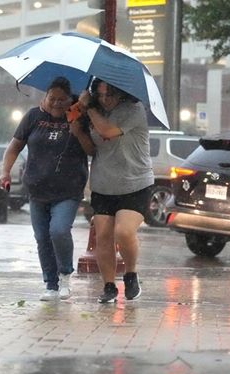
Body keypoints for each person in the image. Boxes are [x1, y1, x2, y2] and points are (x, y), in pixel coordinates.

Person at [0, 77, 91, 301]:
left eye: (62, 99)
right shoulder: (33, 117)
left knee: (58, 231)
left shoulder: (79, 117)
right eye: (53, 99)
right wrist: (5, 172)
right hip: (38, 189)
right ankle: (50, 284)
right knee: (42, 237)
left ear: (71, 99)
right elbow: (14, 147)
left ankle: (65, 276)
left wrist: (77, 129)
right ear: (45, 97)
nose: (57, 103)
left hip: (68, 189)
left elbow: (92, 151)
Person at [69, 79, 152, 303]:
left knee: (123, 232)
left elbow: (107, 131)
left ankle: (131, 274)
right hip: (104, 184)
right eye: (101, 95)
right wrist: (78, 132)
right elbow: (91, 149)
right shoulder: (90, 113)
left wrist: (91, 107)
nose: (106, 99)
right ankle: (108, 286)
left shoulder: (134, 110)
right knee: (103, 235)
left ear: (121, 94)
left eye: (111, 95)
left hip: (135, 182)